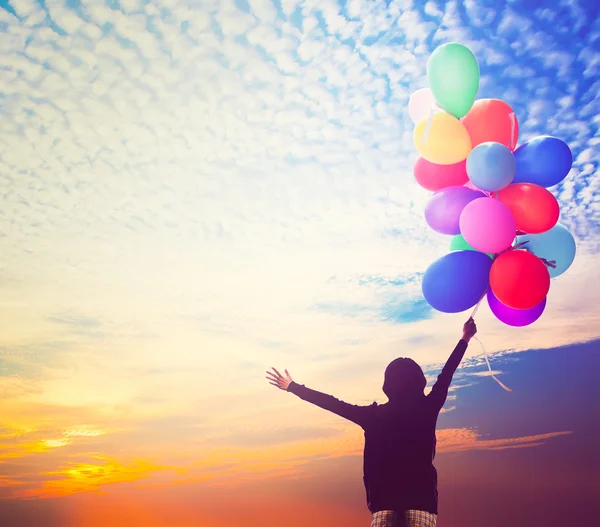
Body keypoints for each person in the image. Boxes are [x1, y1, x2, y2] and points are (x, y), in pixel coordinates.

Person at [266, 317, 478, 527]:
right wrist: (465, 338)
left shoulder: (373, 416)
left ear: (387, 384)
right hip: (421, 500)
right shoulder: (428, 407)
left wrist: (293, 387)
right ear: (419, 381)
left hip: (383, 502)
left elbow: (332, 403)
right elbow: (447, 374)